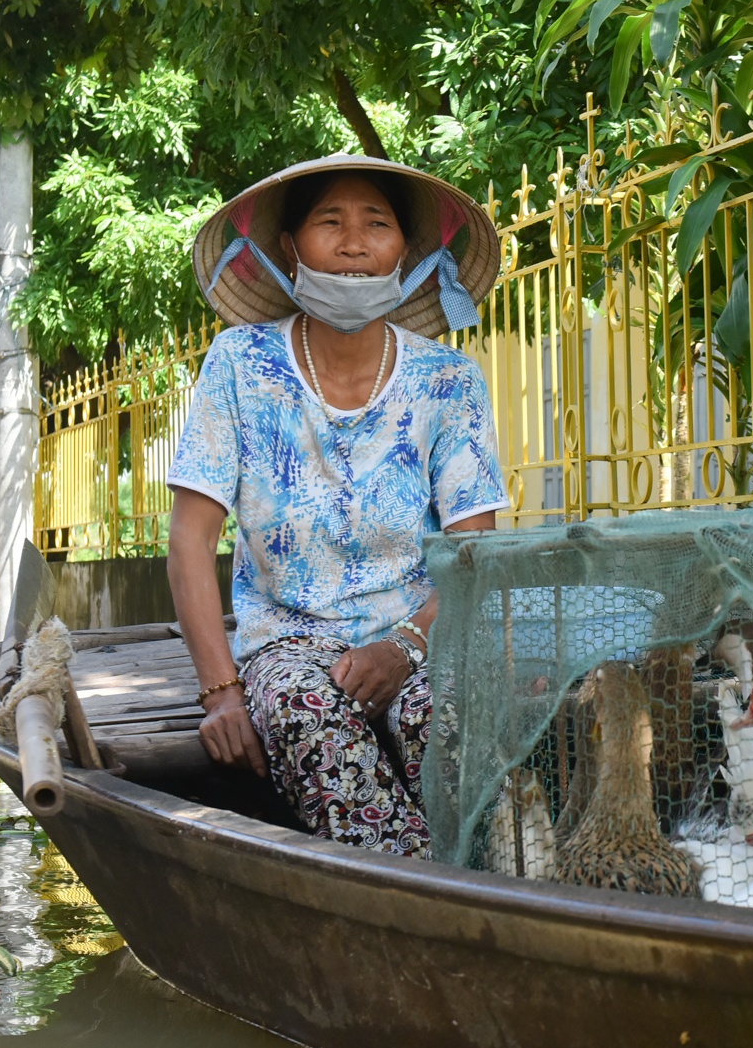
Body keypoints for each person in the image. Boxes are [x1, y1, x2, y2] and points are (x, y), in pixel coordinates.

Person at [166, 154, 505, 858]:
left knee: (447, 722)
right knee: (307, 715)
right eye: (331, 222)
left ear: (404, 252)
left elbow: (476, 553)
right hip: (286, 644)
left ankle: (493, 878)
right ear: (290, 248)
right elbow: (191, 541)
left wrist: (405, 646)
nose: (354, 243)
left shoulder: (449, 382)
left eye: (376, 224)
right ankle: (426, 898)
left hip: (421, 635)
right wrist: (222, 694)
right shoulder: (239, 365)